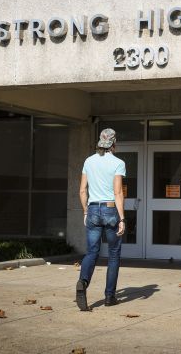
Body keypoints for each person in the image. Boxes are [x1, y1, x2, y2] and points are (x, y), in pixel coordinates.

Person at [76, 128, 126, 310]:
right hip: (110, 209)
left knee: (91, 252)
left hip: (93, 209)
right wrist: (122, 218)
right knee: (113, 254)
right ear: (114, 143)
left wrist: (85, 212)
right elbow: (118, 192)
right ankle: (109, 297)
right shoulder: (118, 163)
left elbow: (82, 190)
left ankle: (83, 281)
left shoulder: (88, 161)